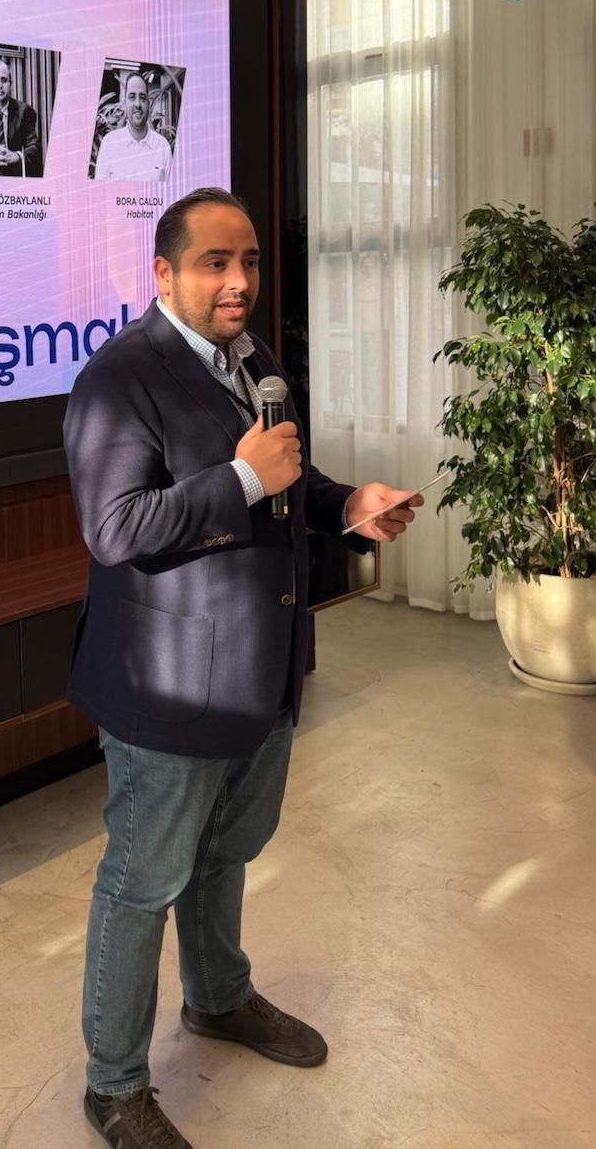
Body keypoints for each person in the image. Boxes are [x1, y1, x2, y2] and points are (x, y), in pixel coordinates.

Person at [64, 188, 424, 1149]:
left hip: (262, 672)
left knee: (227, 850)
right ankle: (113, 1086)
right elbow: (116, 530)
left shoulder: (256, 363)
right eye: (215, 263)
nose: (239, 282)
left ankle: (218, 997)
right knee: (142, 882)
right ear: (164, 273)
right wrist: (239, 479)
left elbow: (289, 483)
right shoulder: (118, 379)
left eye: (250, 262)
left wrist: (348, 506)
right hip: (169, 687)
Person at [92, 71, 172, 181]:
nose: (138, 104)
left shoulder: (163, 147)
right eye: (132, 97)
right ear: (125, 103)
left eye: (142, 98)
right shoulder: (109, 144)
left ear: (148, 104)